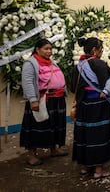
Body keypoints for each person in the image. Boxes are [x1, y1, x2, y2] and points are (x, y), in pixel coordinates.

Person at [71, 37, 110, 178]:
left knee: (85, 135)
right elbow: (107, 86)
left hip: (84, 106)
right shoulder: (99, 64)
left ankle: (86, 166)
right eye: (101, 49)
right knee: (99, 135)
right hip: (99, 106)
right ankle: (99, 170)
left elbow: (73, 87)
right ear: (94, 50)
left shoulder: (78, 66)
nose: (101, 52)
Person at [20, 38, 68, 166]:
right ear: (37, 49)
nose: (49, 51)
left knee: (54, 125)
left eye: (50, 49)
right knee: (37, 126)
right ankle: (31, 155)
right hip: (42, 101)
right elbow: (28, 82)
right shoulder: (31, 64)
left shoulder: (51, 63)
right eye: (46, 49)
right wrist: (33, 100)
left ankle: (54, 149)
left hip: (56, 100)